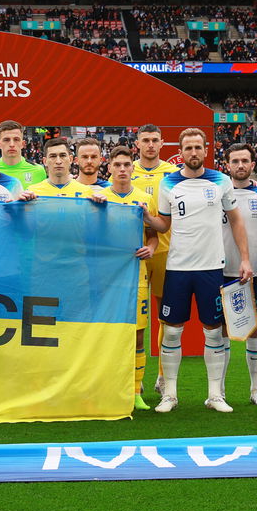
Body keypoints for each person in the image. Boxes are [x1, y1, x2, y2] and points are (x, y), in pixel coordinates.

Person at [154, 128, 252, 414]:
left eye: (198, 147)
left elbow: (236, 221)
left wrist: (245, 259)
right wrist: (146, 217)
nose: (193, 153)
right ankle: (170, 395)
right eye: (188, 148)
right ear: (181, 152)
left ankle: (214, 395)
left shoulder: (221, 181)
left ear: (205, 150)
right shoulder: (168, 183)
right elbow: (163, 224)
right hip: (178, 268)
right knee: (172, 333)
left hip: (212, 268)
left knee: (213, 332)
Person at [106, 145, 164, 410]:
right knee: (106, 334)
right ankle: (107, 387)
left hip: (136, 274)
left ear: (133, 168)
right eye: (117, 165)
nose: (121, 170)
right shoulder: (99, 197)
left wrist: (150, 248)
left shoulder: (143, 199)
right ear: (109, 168)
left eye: (126, 165)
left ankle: (135, 391)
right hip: (107, 277)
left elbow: (154, 234)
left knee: (138, 335)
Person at [221, 143, 257, 407]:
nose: (240, 165)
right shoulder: (218, 192)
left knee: (255, 330)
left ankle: (256, 389)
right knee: (221, 332)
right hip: (221, 271)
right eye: (235, 160)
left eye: (245, 161)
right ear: (227, 164)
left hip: (252, 274)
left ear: (252, 165)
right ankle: (220, 391)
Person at [130, 123, 179, 392]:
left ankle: (162, 377)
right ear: (137, 143)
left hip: (165, 251)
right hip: (133, 254)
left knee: (166, 317)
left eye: (155, 140)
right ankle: (131, 379)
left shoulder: (172, 174)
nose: (150, 144)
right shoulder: (126, 170)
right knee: (132, 318)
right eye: (146, 140)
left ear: (162, 143)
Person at [29, 137, 95, 198]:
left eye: (62, 155)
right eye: (53, 156)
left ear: (71, 159)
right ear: (45, 161)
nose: (58, 161)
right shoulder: (32, 193)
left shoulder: (87, 193)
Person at [0, 120, 47, 186]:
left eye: (16, 139)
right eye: (6, 140)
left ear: (23, 144)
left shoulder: (38, 171)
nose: (12, 144)